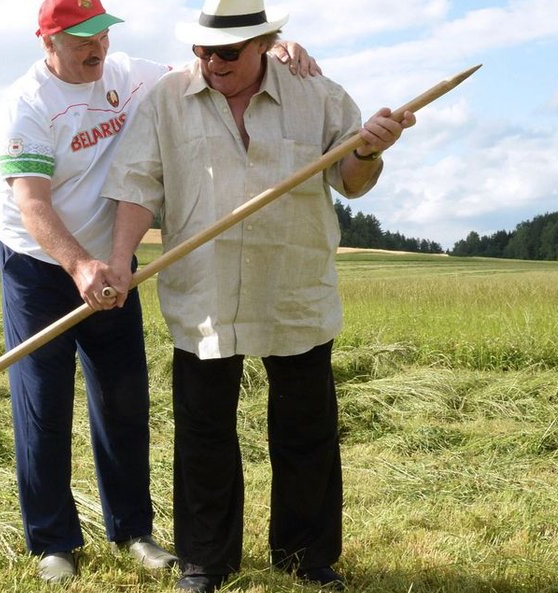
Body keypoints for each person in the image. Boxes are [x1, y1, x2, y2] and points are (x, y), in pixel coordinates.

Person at [90, 1, 417, 591]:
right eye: (202, 50)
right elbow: (138, 183)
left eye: (228, 52)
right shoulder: (166, 100)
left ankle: (307, 557)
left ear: (266, 43)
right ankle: (206, 562)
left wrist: (369, 150)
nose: (212, 62)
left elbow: (353, 182)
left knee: (305, 428)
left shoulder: (318, 95)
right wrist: (119, 260)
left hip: (293, 286)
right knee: (203, 430)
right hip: (205, 290)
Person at [0, 0, 321, 584]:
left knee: (122, 399)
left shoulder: (133, 75)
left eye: (101, 36)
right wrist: (77, 266)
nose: (97, 50)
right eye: (80, 41)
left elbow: (216, 67)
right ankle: (53, 541)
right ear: (49, 45)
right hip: (43, 265)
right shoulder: (26, 105)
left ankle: (132, 529)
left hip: (116, 265)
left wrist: (277, 50)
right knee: (42, 405)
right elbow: (32, 203)